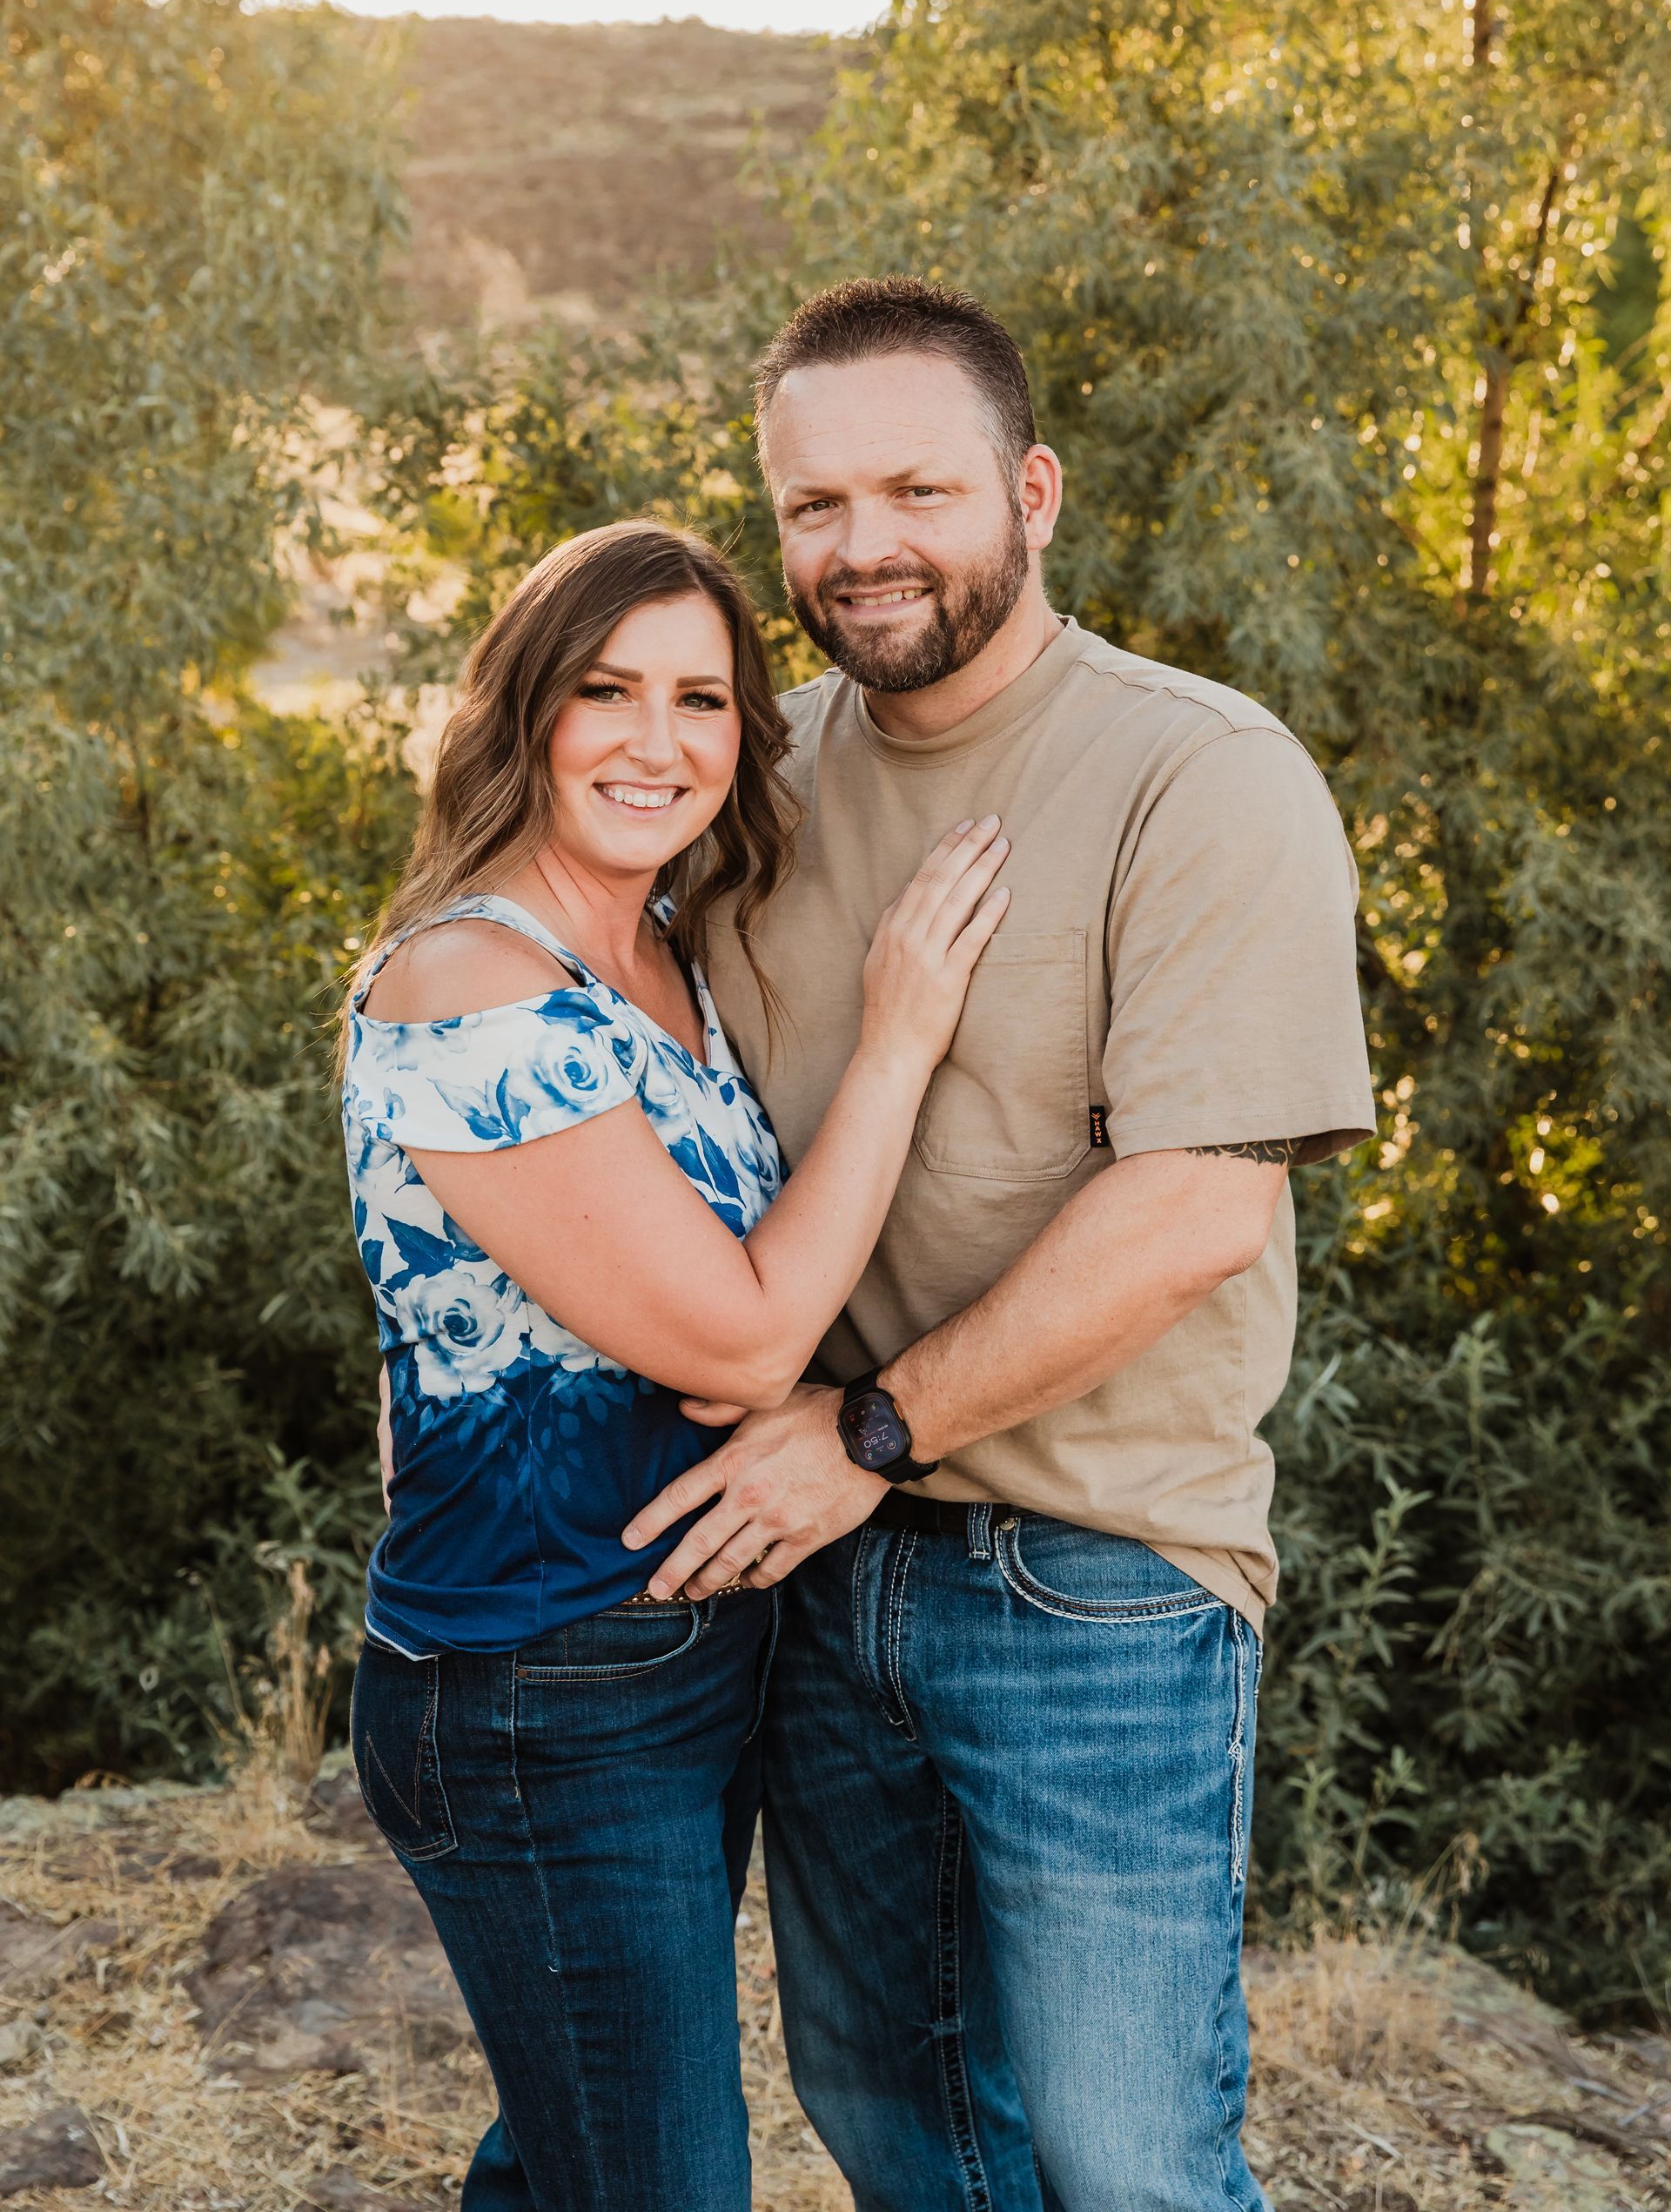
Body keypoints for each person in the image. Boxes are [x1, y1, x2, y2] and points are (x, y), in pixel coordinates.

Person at [627, 280, 1377, 2212]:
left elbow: (1200, 1207)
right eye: (813, 505)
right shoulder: (745, 782)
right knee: (898, 2126)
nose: (861, 545)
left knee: (1132, 2166)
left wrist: (871, 1433)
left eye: (917, 491)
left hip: (1098, 1573)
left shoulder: (1198, 775)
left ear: (1032, 493)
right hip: (810, 1569)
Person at [339, 519, 1010, 2212]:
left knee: (571, 2153)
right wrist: (903, 1037)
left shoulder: (664, 951)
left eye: (701, 699)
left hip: (678, 1653)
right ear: (525, 709)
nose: (658, 741)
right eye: (606, 691)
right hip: (539, 1681)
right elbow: (746, 1340)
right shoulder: (471, 981)